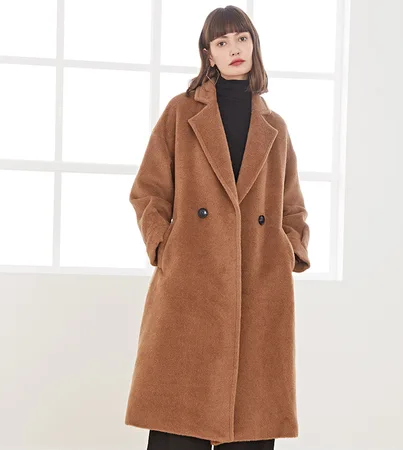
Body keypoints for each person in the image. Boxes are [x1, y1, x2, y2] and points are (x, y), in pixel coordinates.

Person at [125, 5, 311, 450]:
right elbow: (149, 191)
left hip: (258, 286)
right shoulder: (181, 112)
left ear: (254, 45)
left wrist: (287, 250)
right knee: (177, 421)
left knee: (251, 426)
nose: (234, 49)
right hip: (190, 285)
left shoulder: (274, 127)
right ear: (208, 54)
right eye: (222, 42)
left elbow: (292, 207)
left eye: (242, 38)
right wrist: (165, 247)